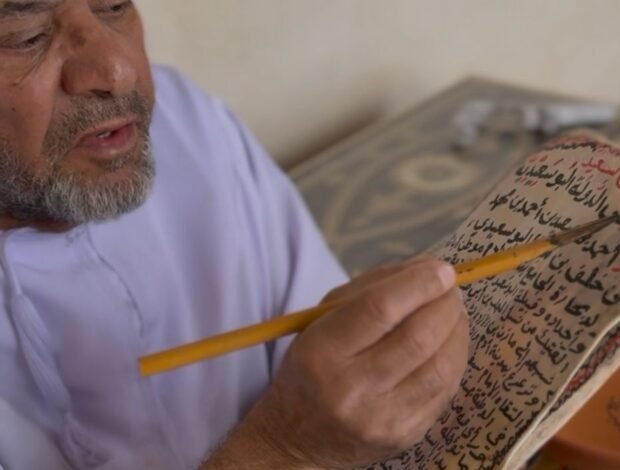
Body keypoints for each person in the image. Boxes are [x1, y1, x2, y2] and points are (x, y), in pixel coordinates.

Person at [0, 1, 470, 469]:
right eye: (26, 36)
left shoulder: (184, 124)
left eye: (113, 6)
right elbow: (309, 439)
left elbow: (327, 346)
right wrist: (285, 451)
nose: (117, 71)